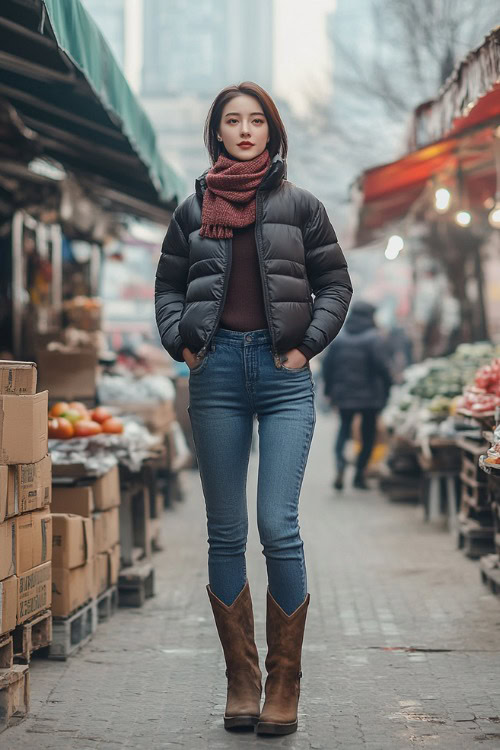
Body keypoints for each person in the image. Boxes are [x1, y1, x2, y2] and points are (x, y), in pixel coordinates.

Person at [155, 82, 352, 735]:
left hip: (282, 375)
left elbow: (334, 283)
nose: (244, 129)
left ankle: (284, 686)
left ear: (272, 131)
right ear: (217, 133)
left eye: (255, 120)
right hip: (215, 377)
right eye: (232, 121)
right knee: (224, 531)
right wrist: (182, 342)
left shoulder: (302, 207)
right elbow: (168, 285)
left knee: (278, 524)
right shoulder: (192, 211)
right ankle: (241, 681)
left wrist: (308, 346)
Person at [322, 300, 392, 490]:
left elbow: (327, 367)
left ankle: (340, 465)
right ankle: (359, 475)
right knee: (368, 436)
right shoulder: (373, 338)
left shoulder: (340, 337)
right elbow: (382, 367)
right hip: (369, 397)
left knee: (344, 430)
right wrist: (388, 386)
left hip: (344, 395)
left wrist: (328, 391)